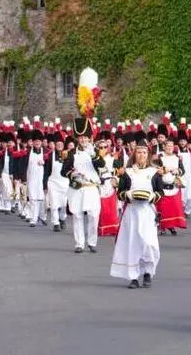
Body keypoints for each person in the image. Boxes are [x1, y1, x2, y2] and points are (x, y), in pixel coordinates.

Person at [111, 131, 163, 289]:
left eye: (144, 152)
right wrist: (128, 195)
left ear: (148, 155)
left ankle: (148, 272)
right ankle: (133, 277)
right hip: (132, 212)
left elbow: (160, 192)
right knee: (132, 244)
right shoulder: (128, 172)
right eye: (139, 152)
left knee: (149, 243)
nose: (141, 155)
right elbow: (120, 193)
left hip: (147, 211)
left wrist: (151, 197)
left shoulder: (154, 172)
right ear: (135, 154)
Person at [61, 117, 106, 253]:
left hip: (91, 188)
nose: (83, 140)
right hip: (77, 188)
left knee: (93, 216)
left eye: (85, 138)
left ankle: (92, 242)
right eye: (80, 138)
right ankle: (79, 243)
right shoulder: (72, 153)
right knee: (78, 216)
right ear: (77, 139)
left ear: (89, 138)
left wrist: (94, 155)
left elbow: (102, 165)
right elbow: (64, 170)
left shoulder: (95, 152)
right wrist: (72, 175)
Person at [156, 137, 187, 236]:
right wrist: (162, 170)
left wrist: (177, 171)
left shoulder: (177, 157)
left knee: (173, 209)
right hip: (162, 186)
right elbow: (154, 168)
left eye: (171, 146)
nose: (170, 147)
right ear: (163, 147)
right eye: (167, 146)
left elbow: (182, 170)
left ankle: (171, 226)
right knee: (162, 208)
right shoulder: (159, 157)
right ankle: (162, 227)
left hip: (174, 186)